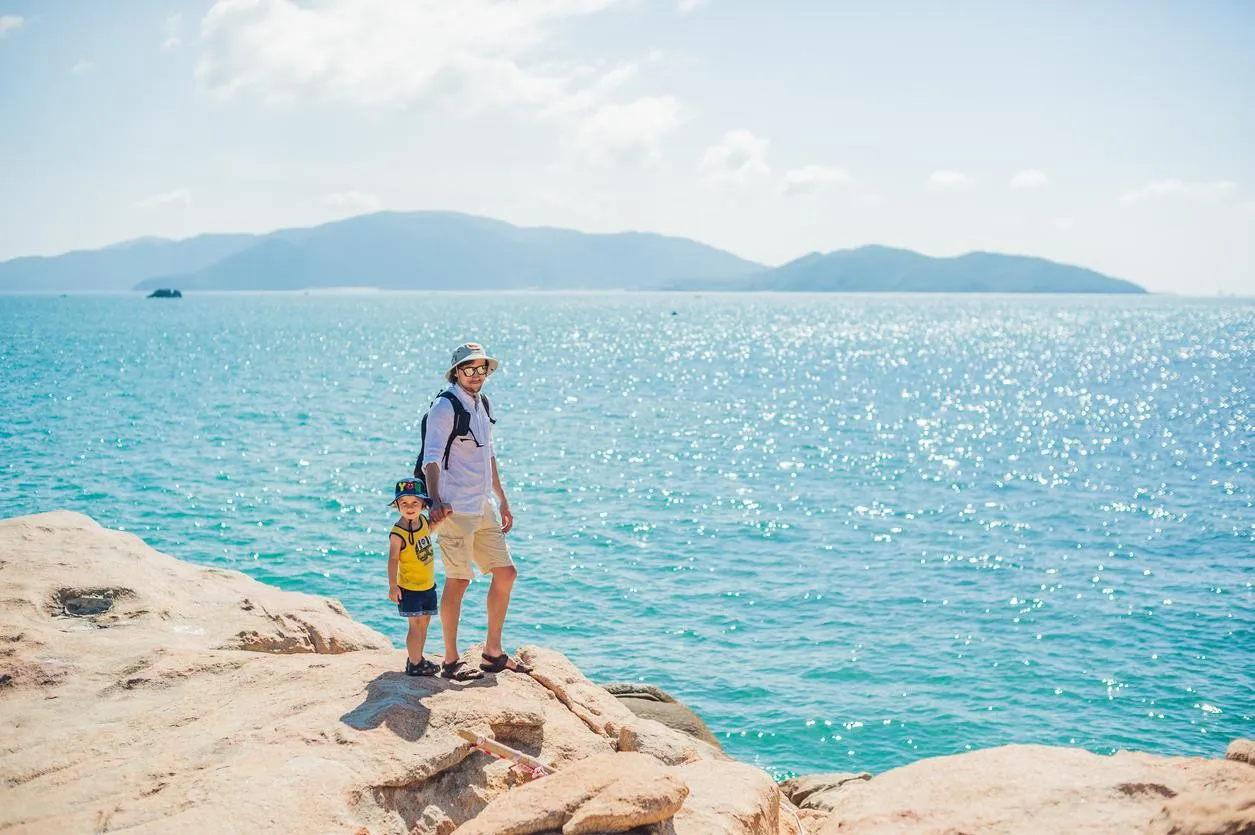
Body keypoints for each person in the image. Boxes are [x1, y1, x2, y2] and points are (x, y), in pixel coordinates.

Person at [422, 341, 532, 680]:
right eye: (469, 368)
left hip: (481, 505)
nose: (476, 374)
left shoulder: (482, 402)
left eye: (481, 368)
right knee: (458, 580)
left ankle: (492, 652)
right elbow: (431, 458)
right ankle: (451, 661)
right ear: (456, 371)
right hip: (455, 509)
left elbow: (489, 455)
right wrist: (437, 501)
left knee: (505, 573)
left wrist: (502, 498)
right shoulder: (445, 406)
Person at [386, 478, 440, 677]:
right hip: (409, 587)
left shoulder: (424, 522)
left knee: (425, 621)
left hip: (427, 584)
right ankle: (416, 662)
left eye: (415, 503)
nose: (410, 507)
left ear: (423, 505)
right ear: (397, 505)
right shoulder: (397, 533)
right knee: (415, 624)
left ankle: (416, 657)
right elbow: (393, 560)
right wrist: (393, 586)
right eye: (404, 503)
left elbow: (429, 531)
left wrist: (445, 515)